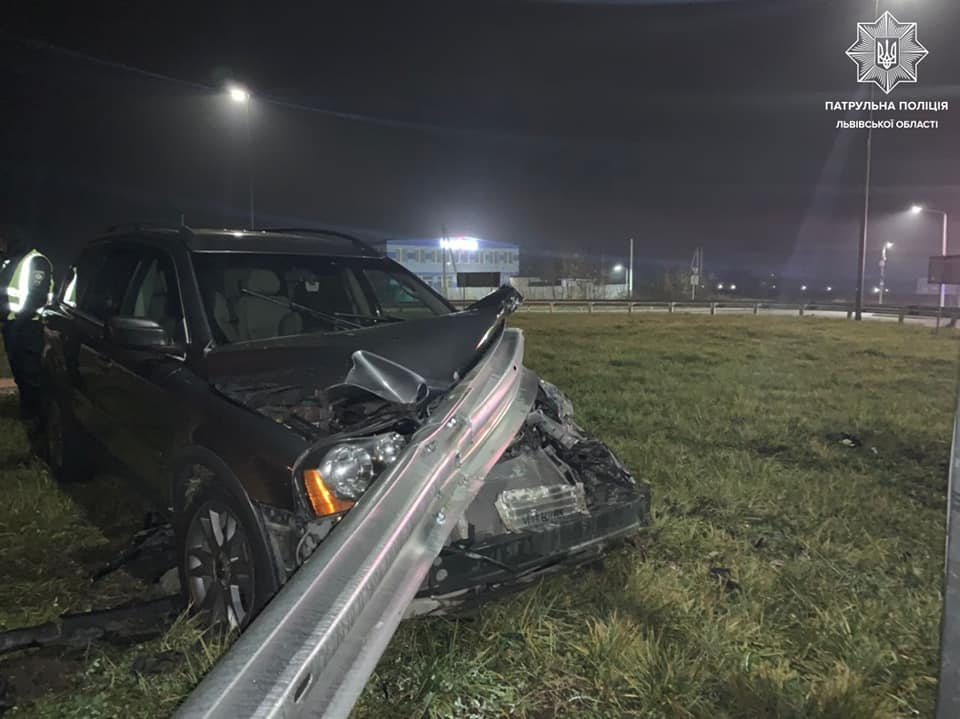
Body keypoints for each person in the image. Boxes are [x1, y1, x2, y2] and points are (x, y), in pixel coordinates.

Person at [0, 237, 53, 425]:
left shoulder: (36, 261)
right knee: (19, 371)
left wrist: (19, 322)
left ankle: (38, 417)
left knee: (30, 372)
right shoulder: (12, 261)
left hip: (28, 326)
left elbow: (37, 297)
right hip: (12, 325)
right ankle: (27, 410)